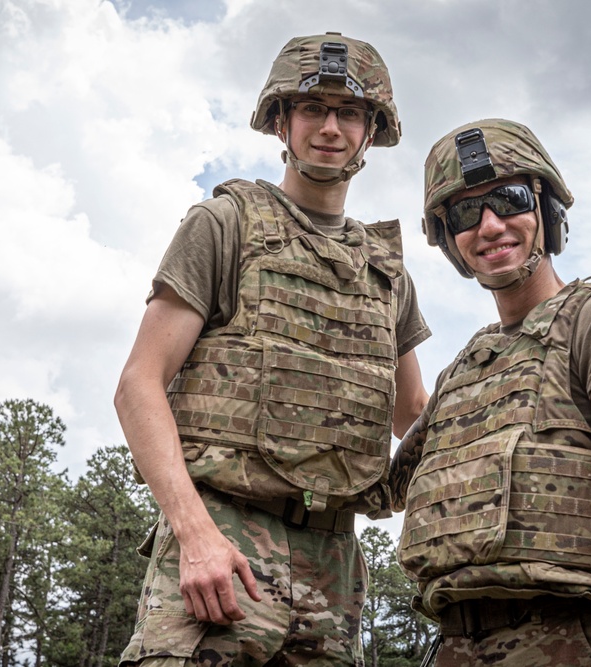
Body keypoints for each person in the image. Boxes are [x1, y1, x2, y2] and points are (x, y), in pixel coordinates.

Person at [116, 32, 431, 666]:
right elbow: (138, 385)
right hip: (225, 538)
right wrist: (194, 532)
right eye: (313, 108)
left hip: (334, 567)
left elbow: (414, 417)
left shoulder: (386, 272)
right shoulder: (224, 225)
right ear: (282, 121)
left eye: (349, 113)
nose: (330, 128)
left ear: (371, 130)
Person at [390, 119, 591, 666]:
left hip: (565, 639)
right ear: (450, 239)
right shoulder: (467, 365)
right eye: (464, 213)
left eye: (508, 199)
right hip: (455, 642)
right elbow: (392, 475)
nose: (490, 225)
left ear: (545, 209)